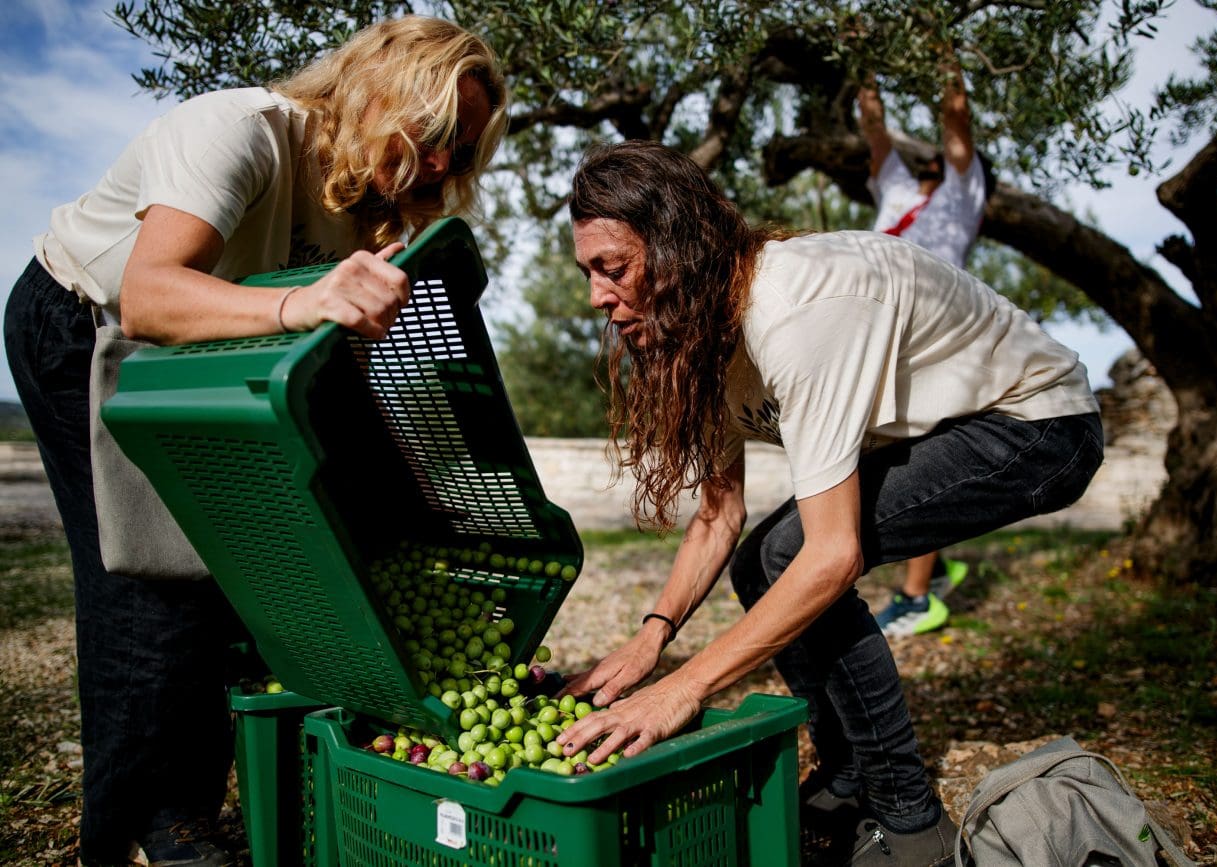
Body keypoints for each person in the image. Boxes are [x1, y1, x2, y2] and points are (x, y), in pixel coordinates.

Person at [3, 17, 507, 866]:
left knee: (227, 566)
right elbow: (153, 296)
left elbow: (343, 360)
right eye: (436, 133)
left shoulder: (370, 203)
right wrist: (302, 303)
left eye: (459, 152)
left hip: (197, 349)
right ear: (379, 91)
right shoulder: (239, 131)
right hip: (87, 324)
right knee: (150, 572)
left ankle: (185, 807)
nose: (439, 165)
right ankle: (140, 827)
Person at [556, 140, 1102, 866]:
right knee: (761, 563)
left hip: (1039, 424)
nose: (596, 296)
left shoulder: (793, 310)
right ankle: (848, 777)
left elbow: (833, 554)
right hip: (957, 426)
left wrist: (681, 689)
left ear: (677, 248)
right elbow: (720, 514)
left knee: (792, 557)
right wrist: (652, 636)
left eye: (613, 268)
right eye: (588, 272)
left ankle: (909, 821)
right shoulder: (705, 335)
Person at [857, 63, 987, 639]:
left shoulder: (964, 194)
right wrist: (870, 61)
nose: (931, 166)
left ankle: (917, 599)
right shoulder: (898, 191)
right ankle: (933, 566)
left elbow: (957, 121)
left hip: (928, 335)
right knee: (884, 458)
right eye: (927, 163)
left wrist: (939, 45)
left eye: (938, 162)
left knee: (917, 460)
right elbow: (875, 131)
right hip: (879, 333)